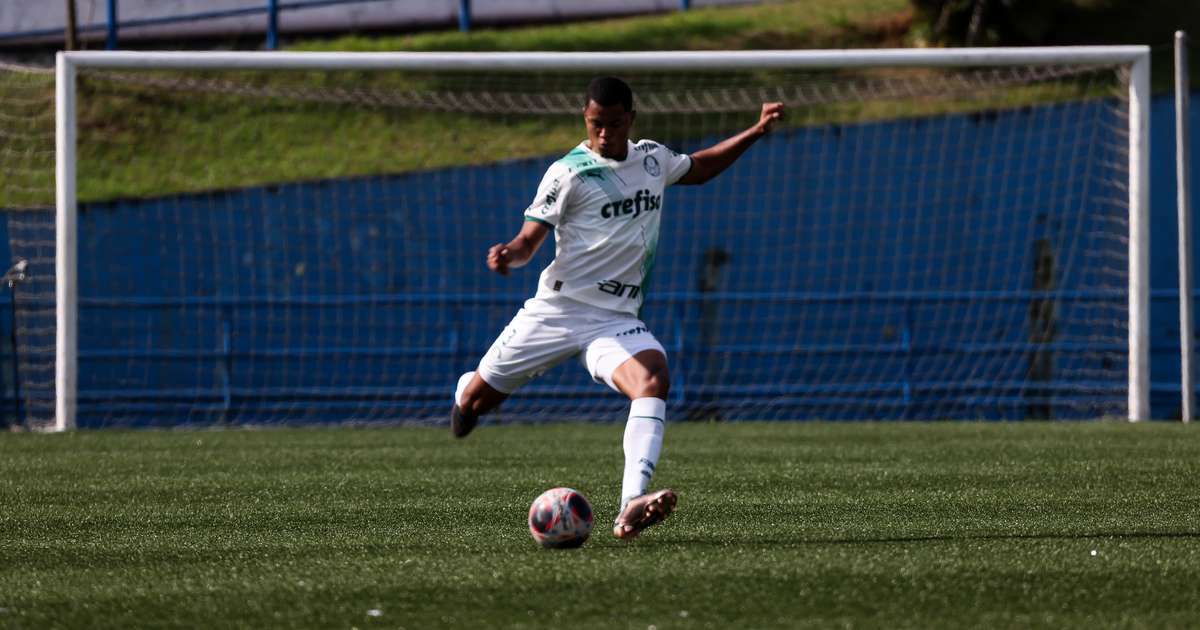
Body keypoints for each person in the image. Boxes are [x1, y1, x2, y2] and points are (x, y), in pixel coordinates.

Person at [451, 76, 784, 540]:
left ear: (630, 118)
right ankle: (466, 390)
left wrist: (755, 130)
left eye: (612, 124)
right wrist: (509, 254)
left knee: (653, 378)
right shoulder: (567, 173)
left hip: (614, 320)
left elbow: (702, 168)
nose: (603, 134)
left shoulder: (652, 159)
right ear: (585, 121)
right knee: (474, 407)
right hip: (557, 311)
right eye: (595, 125)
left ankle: (631, 504)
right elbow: (530, 241)